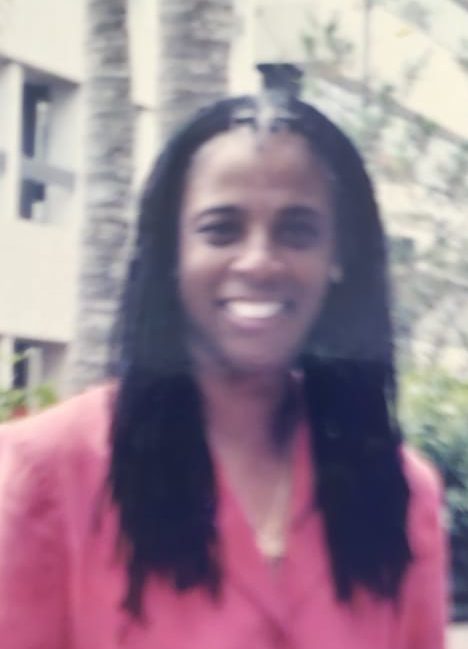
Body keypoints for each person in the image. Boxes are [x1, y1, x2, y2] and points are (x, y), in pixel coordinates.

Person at [0, 85, 447, 648]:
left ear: (338, 257)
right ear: (172, 254)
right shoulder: (47, 473)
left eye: (296, 231)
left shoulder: (399, 491)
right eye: (221, 229)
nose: (259, 261)